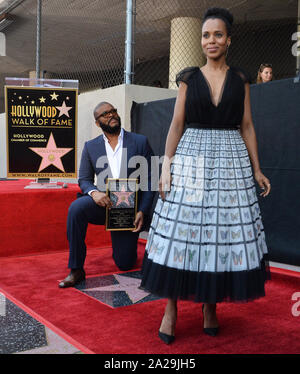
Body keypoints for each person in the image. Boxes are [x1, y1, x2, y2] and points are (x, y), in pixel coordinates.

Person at [140, 7, 271, 344]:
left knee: (222, 234)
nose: (211, 40)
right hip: (192, 159)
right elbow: (176, 124)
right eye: (205, 35)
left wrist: (256, 169)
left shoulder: (241, 79)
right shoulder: (188, 78)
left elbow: (247, 125)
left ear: (229, 39)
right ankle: (170, 309)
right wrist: (166, 166)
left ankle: (209, 306)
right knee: (182, 231)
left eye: (217, 35)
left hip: (231, 161)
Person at [59, 101, 155, 288]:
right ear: (98, 123)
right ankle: (76, 269)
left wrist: (142, 211)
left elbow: (150, 179)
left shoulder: (140, 141)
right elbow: (84, 179)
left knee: (125, 263)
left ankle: (124, 247)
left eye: (113, 111)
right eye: (105, 114)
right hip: (103, 203)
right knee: (76, 209)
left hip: (129, 210)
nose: (111, 115)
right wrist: (94, 193)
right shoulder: (91, 146)